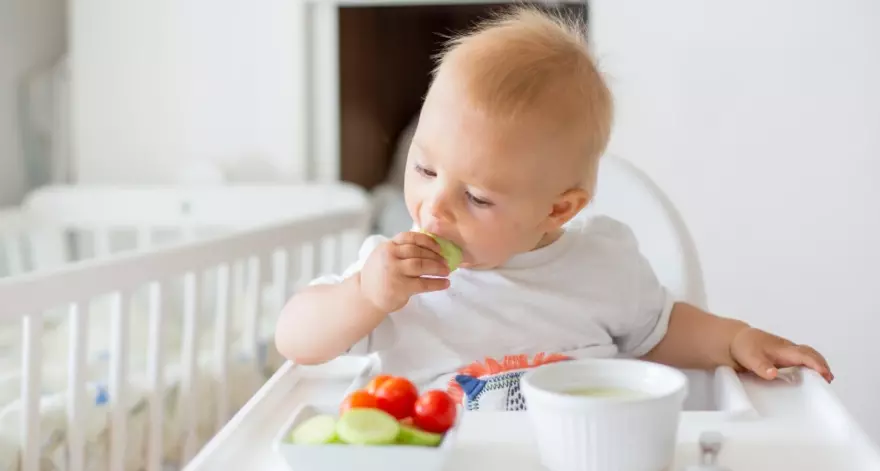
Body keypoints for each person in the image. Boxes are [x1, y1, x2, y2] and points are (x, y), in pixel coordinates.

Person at [275, 7, 833, 391]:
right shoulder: (396, 277)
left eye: (477, 197)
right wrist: (365, 295)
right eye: (424, 169)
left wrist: (737, 339)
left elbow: (662, 331)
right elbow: (295, 339)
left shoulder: (602, 266)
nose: (434, 206)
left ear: (558, 209)